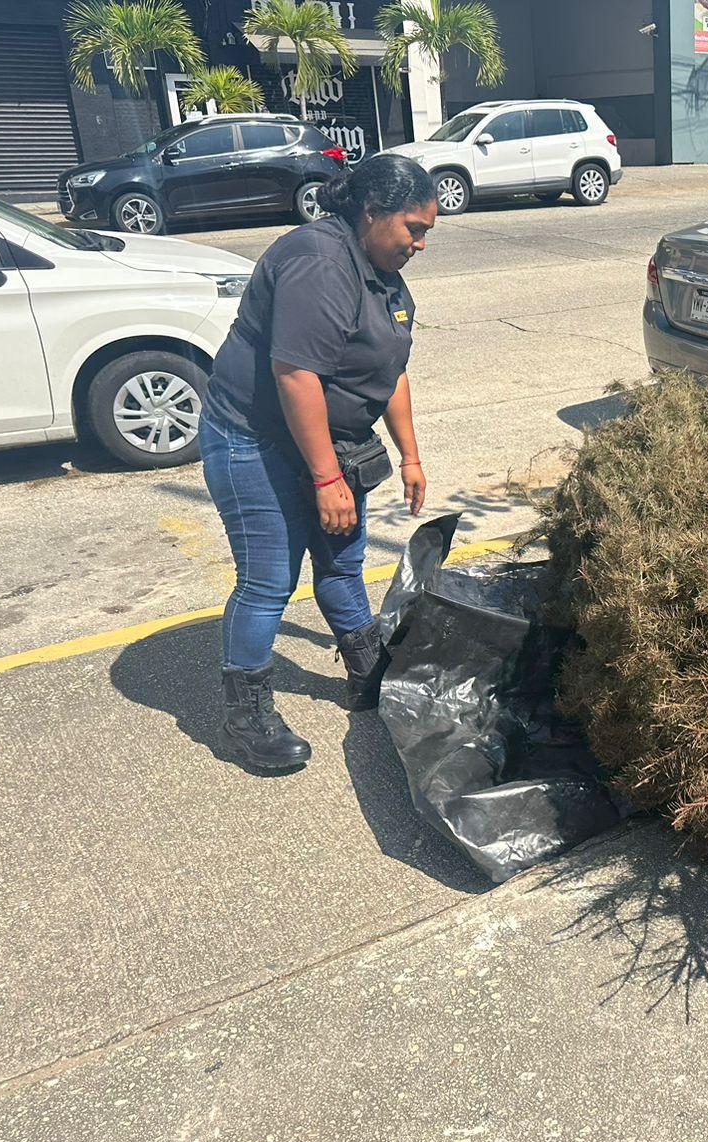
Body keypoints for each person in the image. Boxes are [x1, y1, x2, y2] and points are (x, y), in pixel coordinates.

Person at [198, 155, 439, 769]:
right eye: (413, 228)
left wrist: (411, 456)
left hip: (335, 439)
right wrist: (326, 477)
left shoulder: (382, 270)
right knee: (268, 580)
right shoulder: (320, 260)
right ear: (371, 211)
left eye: (427, 232)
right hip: (255, 437)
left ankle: (366, 674)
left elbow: (392, 369)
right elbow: (296, 373)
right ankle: (244, 716)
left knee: (341, 563)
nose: (419, 243)